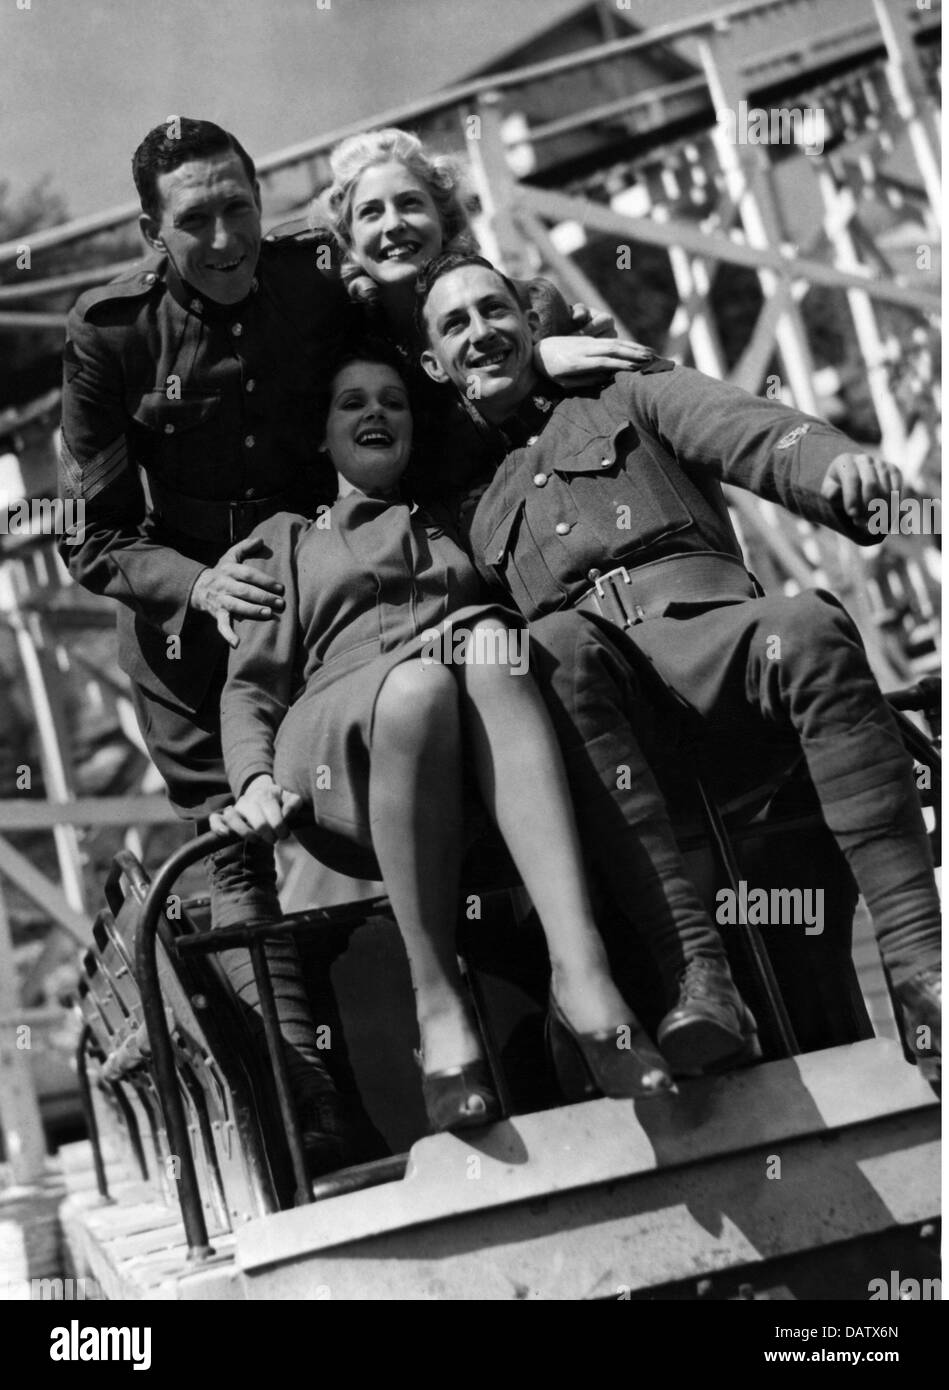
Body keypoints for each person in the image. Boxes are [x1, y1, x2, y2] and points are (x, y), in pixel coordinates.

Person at [414, 251, 942, 1084]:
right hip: (602, 717)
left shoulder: (625, 388)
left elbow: (754, 429)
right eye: (456, 323)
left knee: (805, 625)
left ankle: (923, 973)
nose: (481, 332)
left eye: (496, 311)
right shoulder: (449, 486)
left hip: (719, 653)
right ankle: (699, 978)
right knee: (545, 647)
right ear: (432, 363)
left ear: (529, 321)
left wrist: (838, 471)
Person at [212, 341, 695, 1127]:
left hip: (465, 725)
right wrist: (255, 782)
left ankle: (583, 979)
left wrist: (535, 358)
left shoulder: (453, 521)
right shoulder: (284, 542)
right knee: (418, 684)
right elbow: (249, 690)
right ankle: (436, 1001)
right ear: (321, 437)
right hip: (340, 742)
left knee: (488, 649)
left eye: (394, 403)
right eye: (352, 403)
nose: (376, 413)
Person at [58, 117, 361, 1169]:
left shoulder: (317, 283)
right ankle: (304, 1096)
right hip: (187, 646)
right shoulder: (110, 335)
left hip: (327, 601)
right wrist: (196, 583)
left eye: (240, 205)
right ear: (153, 229)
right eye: (196, 219)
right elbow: (92, 539)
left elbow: (425, 345)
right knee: (237, 849)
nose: (227, 236)